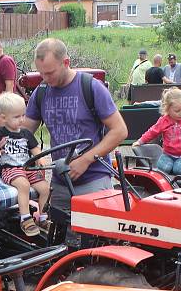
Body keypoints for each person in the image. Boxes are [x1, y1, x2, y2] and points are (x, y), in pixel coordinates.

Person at [23, 38, 127, 224]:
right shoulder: (41, 92)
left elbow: (119, 131)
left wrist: (86, 160)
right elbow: (25, 132)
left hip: (93, 181)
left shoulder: (91, 87)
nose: (45, 79)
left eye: (50, 73)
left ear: (66, 62)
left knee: (95, 243)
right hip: (60, 182)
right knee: (62, 242)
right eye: (41, 74)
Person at [0, 92, 49, 236]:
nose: (21, 120)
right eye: (16, 117)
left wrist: (40, 158)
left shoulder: (26, 133)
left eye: (23, 115)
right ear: (3, 117)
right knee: (24, 185)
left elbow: (35, 149)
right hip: (10, 169)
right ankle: (25, 219)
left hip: (26, 168)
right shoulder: (0, 132)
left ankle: (43, 217)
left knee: (45, 188)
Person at [132, 87, 181, 176]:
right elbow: (152, 132)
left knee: (179, 171)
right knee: (162, 169)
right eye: (177, 111)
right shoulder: (164, 121)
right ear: (167, 109)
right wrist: (140, 141)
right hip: (168, 154)